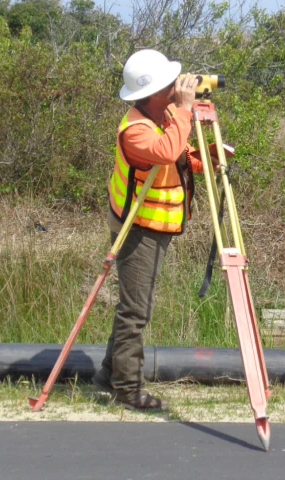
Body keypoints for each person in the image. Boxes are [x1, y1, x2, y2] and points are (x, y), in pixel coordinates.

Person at [91, 49, 206, 411]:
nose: (179, 84)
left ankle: (108, 374)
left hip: (157, 225)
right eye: (172, 82)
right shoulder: (136, 131)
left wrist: (210, 158)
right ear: (157, 90)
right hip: (136, 228)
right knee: (136, 311)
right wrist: (187, 110)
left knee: (134, 307)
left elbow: (180, 156)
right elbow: (165, 150)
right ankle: (127, 388)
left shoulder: (165, 116)